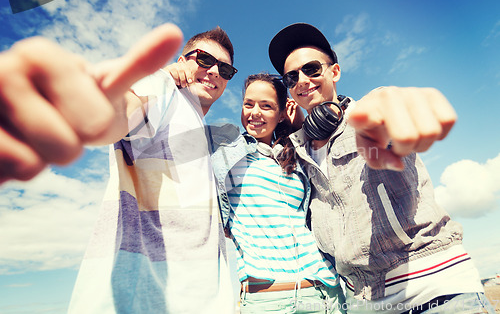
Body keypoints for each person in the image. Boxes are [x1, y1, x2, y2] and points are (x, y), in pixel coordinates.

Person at [0, 24, 237, 313]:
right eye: (204, 59)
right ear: (181, 62)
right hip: (147, 298)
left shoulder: (204, 131)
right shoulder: (164, 88)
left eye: (225, 70)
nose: (214, 71)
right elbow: (127, 111)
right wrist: (92, 109)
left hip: (203, 298)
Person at [268, 22, 495, 313]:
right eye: (291, 77)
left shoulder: (366, 117)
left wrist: (397, 105)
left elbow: (387, 106)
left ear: (334, 72)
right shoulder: (299, 152)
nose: (301, 80)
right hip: (365, 303)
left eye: (311, 69)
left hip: (436, 292)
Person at [211, 73, 346, 313]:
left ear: (282, 112)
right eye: (249, 104)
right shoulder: (225, 151)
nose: (255, 113)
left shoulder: (291, 156)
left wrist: (299, 127)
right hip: (268, 299)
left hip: (325, 292)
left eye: (267, 106)